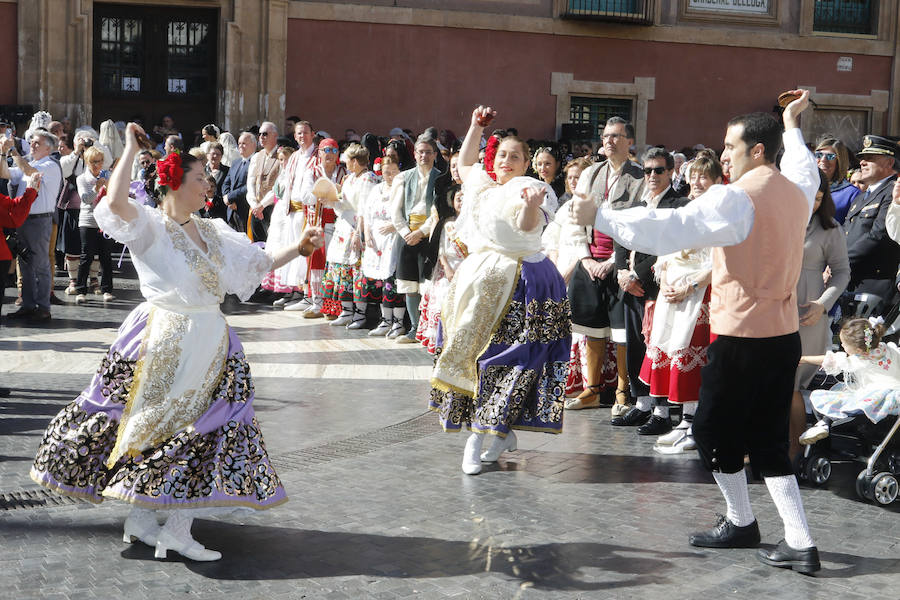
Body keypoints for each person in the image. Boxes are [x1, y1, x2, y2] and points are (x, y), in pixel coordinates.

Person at [30, 123, 324, 562]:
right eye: (200, 178)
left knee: (206, 427)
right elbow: (114, 203)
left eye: (207, 178)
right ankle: (172, 529)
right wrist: (130, 149)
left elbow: (256, 262)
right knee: (179, 430)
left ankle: (148, 521)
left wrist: (298, 249)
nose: (208, 185)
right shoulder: (150, 226)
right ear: (174, 183)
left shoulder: (212, 230)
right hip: (165, 339)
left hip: (211, 339)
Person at [572, 90, 822, 573]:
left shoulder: (737, 197)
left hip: (742, 336)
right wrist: (791, 124)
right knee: (767, 437)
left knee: (710, 431)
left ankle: (746, 522)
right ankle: (797, 539)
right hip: (781, 335)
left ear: (757, 151)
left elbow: (673, 227)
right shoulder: (797, 189)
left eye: (730, 146)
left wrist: (600, 216)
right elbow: (804, 165)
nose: (723, 154)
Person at [430, 106, 570, 476]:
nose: (506, 161)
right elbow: (464, 162)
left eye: (515, 156)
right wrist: (475, 126)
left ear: (526, 163)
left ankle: (479, 437)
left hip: (522, 283)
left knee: (506, 361)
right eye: (502, 154)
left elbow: (526, 225)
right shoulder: (482, 183)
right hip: (478, 281)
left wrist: (530, 207)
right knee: (471, 355)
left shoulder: (533, 189)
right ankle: (498, 431)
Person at [639, 157, 719, 453]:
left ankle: (695, 423)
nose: (697, 182)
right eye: (693, 176)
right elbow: (666, 251)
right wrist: (665, 279)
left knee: (692, 356)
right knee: (673, 352)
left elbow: (719, 262)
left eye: (704, 177)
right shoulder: (682, 211)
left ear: (717, 181)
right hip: (673, 293)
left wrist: (690, 286)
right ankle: (685, 420)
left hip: (701, 294)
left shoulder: (719, 216)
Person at [788, 169, 850, 459]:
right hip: (770, 309)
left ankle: (794, 450)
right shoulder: (776, 220)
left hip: (807, 315)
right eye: (808, 195)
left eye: (818, 198)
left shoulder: (830, 228)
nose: (812, 203)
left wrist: (823, 304)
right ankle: (761, 445)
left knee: (792, 381)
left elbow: (842, 272)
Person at [799, 317, 900, 445]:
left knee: (836, 399)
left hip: (881, 397)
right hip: (895, 394)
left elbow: (830, 360)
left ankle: (824, 424)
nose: (842, 345)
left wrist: (804, 359)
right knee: (845, 393)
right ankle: (824, 424)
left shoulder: (859, 360)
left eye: (844, 344)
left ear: (858, 350)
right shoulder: (886, 348)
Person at [0, 129, 64, 323]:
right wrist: (3, 154)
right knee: (25, 263)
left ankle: (43, 307)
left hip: (39, 220)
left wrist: (12, 151)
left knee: (40, 264)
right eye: (32, 142)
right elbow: (4, 173)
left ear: (48, 148)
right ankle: (28, 305)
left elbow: (30, 173)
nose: (32, 145)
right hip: (23, 218)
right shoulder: (29, 162)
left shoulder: (50, 165)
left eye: (37, 142)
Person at [390, 135, 444, 343]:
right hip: (407, 234)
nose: (424, 156)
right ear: (414, 154)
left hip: (428, 236)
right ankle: (413, 328)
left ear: (435, 154)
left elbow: (437, 211)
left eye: (428, 152)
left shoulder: (441, 178)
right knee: (409, 284)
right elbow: (395, 210)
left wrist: (421, 232)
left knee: (426, 284)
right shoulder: (403, 178)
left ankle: (427, 329)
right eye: (420, 152)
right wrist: (406, 233)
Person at [843, 135, 900, 313]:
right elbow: (846, 231)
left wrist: (842, 261)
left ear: (889, 163)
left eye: (870, 158)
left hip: (876, 285)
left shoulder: (893, 192)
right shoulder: (862, 197)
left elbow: (878, 235)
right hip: (852, 280)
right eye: (862, 158)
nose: (862, 162)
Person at [359, 155, 407, 338]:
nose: (390, 176)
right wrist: (367, 235)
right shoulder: (376, 190)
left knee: (392, 280)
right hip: (377, 239)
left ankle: (398, 322)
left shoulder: (403, 188)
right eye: (387, 172)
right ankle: (385, 319)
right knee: (380, 281)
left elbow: (408, 213)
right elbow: (367, 214)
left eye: (394, 172)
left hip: (394, 238)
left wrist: (395, 226)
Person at [415, 187, 466, 351]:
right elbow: (441, 249)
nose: (461, 202)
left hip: (466, 267)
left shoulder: (473, 223)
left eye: (465, 198)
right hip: (447, 268)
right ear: (452, 202)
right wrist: (447, 268)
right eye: (458, 199)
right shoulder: (447, 223)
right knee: (442, 298)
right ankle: (439, 341)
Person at [73, 146, 115, 303]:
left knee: (106, 256)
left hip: (105, 221)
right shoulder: (82, 179)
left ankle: (107, 290)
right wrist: (97, 187)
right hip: (88, 220)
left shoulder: (108, 176)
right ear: (87, 162)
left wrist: (109, 185)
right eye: (93, 162)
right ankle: (81, 290)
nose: (97, 165)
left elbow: (114, 196)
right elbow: (86, 199)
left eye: (100, 161)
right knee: (87, 255)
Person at [247, 122, 281, 242]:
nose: (261, 137)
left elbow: (279, 187)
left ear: (275, 135)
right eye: (260, 134)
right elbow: (250, 183)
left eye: (265, 134)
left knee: (272, 245)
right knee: (257, 245)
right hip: (256, 209)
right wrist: (255, 205)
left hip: (273, 209)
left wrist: (262, 205)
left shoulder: (281, 156)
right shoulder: (256, 156)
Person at [814, 137, 859, 225]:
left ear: (839, 162)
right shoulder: (805, 186)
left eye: (830, 156)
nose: (823, 160)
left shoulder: (852, 193)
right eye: (819, 155)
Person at [221, 132, 255, 233]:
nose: (240, 146)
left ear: (253, 145)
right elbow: (226, 182)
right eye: (239, 143)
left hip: (245, 210)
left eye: (244, 143)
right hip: (231, 210)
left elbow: (250, 186)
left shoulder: (255, 162)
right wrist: (228, 199)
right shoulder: (236, 162)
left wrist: (230, 197)